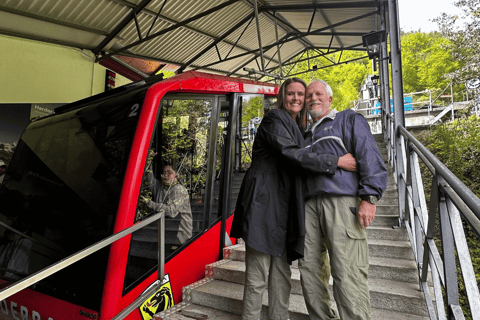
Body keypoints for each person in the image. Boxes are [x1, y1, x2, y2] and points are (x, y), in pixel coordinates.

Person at [230, 77, 357, 320]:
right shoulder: (274, 119)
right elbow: (292, 154)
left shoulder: (298, 128)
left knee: (281, 276)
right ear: (282, 96)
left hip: (283, 210)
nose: (297, 98)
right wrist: (337, 162)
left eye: (302, 94)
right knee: (257, 277)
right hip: (263, 206)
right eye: (292, 94)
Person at [299, 80, 388, 320]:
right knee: (309, 271)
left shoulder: (348, 119)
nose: (313, 98)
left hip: (341, 202)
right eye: (308, 96)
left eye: (318, 94)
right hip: (308, 206)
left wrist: (369, 197)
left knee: (347, 272)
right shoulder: (304, 134)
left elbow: (369, 155)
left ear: (329, 99)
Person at [144, 165, 193, 246]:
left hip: (180, 235)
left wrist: (149, 203)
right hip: (164, 229)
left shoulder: (179, 189)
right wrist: (149, 158)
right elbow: (149, 177)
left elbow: (171, 212)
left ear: (176, 176)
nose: (165, 175)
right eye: (164, 172)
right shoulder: (161, 187)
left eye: (169, 173)